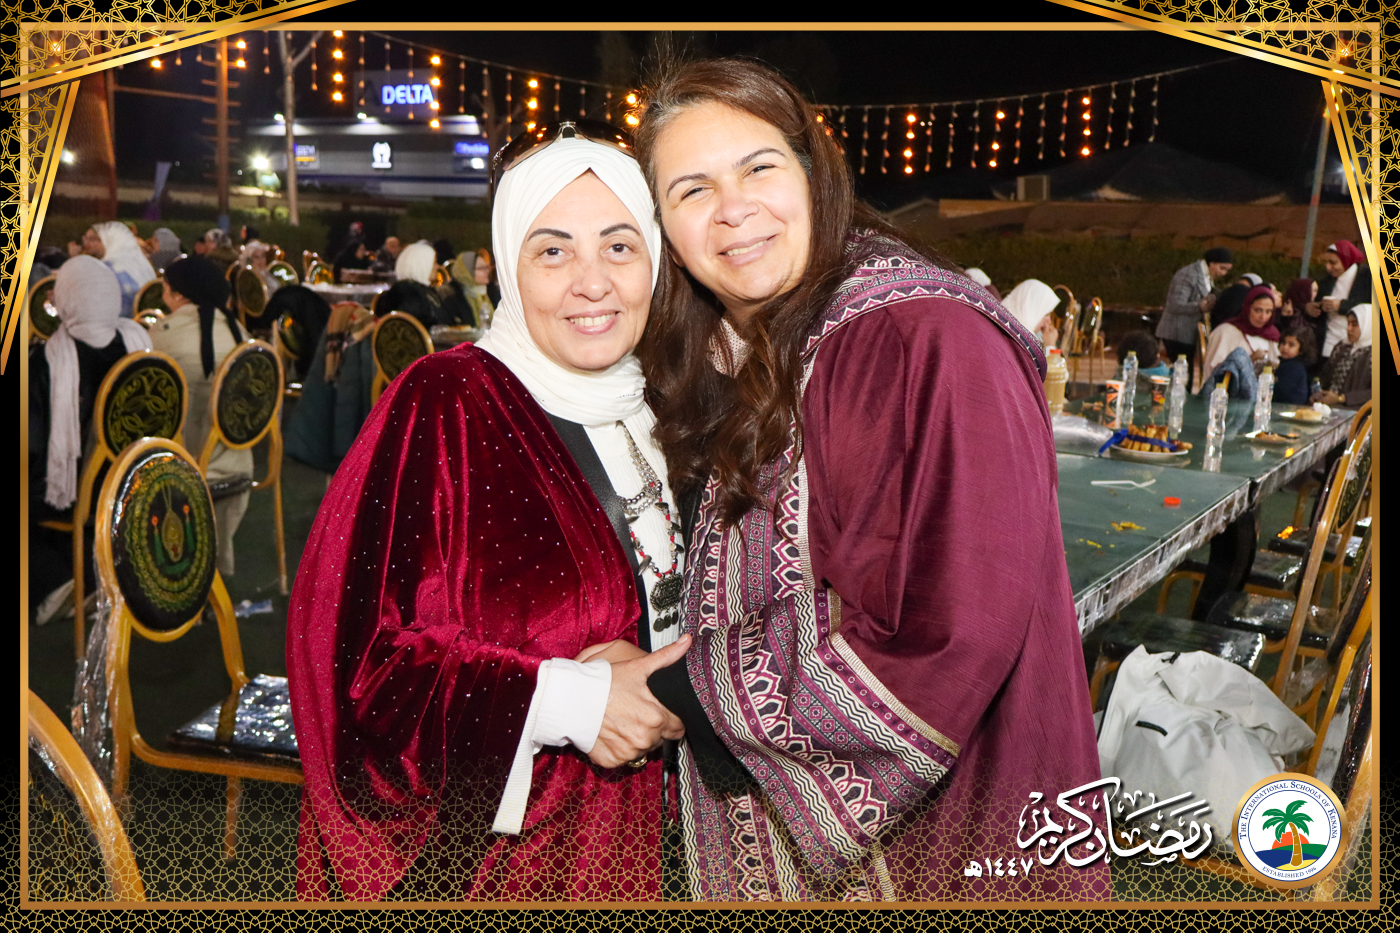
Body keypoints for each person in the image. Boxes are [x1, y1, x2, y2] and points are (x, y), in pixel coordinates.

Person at [633, 57, 1105, 902]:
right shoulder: (743, 347)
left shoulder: (921, 337)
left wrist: (677, 689)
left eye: (758, 167)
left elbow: (939, 621)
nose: (732, 208)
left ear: (814, 172)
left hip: (947, 840)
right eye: (691, 189)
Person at [286, 124, 692, 902]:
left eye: (618, 246)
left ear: (655, 258)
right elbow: (353, 663)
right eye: (553, 250)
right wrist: (566, 699)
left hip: (669, 846)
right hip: (515, 870)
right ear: (508, 264)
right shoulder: (445, 405)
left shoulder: (671, 405)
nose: (592, 282)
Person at [28, 257, 152, 623]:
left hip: (77, 493)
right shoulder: (140, 344)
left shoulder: (48, 360)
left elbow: (33, 446)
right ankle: (93, 574)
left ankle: (54, 583)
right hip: (138, 482)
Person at [148, 256, 251, 577]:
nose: (162, 296)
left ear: (179, 295)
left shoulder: (161, 337)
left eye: (165, 289)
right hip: (239, 462)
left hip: (183, 467)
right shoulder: (242, 335)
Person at [1155, 246, 1233, 391]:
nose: (1223, 273)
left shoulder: (1205, 276)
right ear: (1211, 263)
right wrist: (1200, 307)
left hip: (1187, 334)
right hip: (1176, 332)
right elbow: (1175, 304)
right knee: (1183, 377)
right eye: (1222, 268)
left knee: (1187, 376)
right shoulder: (1188, 275)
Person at [1200, 284, 1280, 385]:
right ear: (1247, 308)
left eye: (1268, 312)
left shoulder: (1272, 335)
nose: (1263, 317)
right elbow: (1213, 372)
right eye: (1258, 310)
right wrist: (1248, 361)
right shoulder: (1226, 332)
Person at [74, 221, 157, 319]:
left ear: (110, 241)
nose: (91, 244)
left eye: (100, 240)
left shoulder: (107, 269)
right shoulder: (142, 264)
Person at [1307, 241, 1371, 359]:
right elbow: (1318, 315)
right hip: (1329, 341)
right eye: (1326, 262)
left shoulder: (1368, 277)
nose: (1328, 267)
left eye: (1333, 263)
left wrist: (1341, 305)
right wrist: (1311, 309)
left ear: (1347, 259)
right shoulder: (1326, 282)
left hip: (1360, 344)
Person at [1312, 305, 1372, 408]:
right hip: (1330, 408)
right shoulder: (1342, 346)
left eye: (1354, 324)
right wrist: (1320, 393)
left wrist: (1342, 398)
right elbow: (1325, 378)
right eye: (1348, 323)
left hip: (1361, 413)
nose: (1348, 329)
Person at [1001, 278, 1061, 347]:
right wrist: (1050, 345)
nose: (1049, 321)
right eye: (1046, 314)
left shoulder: (1002, 322)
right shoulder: (1020, 342)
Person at [451, 248, 496, 329]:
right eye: (481, 268)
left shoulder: (493, 292)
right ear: (467, 272)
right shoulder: (456, 298)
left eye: (487, 267)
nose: (487, 271)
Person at [1273, 328, 1316, 405]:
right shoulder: (1287, 364)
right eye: (1283, 343)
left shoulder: (1293, 367)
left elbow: (1281, 392)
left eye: (1291, 345)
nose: (1285, 347)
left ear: (1302, 350)